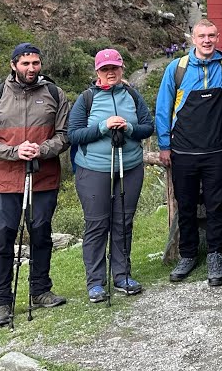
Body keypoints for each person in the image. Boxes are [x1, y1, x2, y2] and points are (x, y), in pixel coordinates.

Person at [0, 42, 70, 327]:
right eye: (25, 64)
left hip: (42, 177)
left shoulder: (54, 93)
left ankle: (40, 290)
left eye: (35, 63)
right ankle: (1, 302)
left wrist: (42, 149)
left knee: (41, 234)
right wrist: (14, 152)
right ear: (13, 64)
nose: (31, 68)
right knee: (2, 238)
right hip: (3, 180)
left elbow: (64, 135)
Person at [67, 48, 155, 301]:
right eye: (105, 69)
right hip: (93, 169)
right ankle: (95, 282)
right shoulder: (87, 99)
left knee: (123, 222)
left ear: (122, 68)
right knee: (97, 224)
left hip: (129, 167)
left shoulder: (132, 95)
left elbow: (147, 127)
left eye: (114, 68)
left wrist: (128, 128)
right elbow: (73, 135)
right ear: (97, 72)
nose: (110, 73)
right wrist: (103, 127)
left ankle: (122, 275)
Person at [155, 19, 222, 287]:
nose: (207, 40)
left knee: (215, 206)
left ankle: (215, 255)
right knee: (186, 205)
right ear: (193, 38)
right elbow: (163, 109)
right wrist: (164, 145)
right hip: (182, 151)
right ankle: (187, 255)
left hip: (216, 150)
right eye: (202, 36)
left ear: (218, 37)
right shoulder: (177, 69)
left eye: (211, 35)